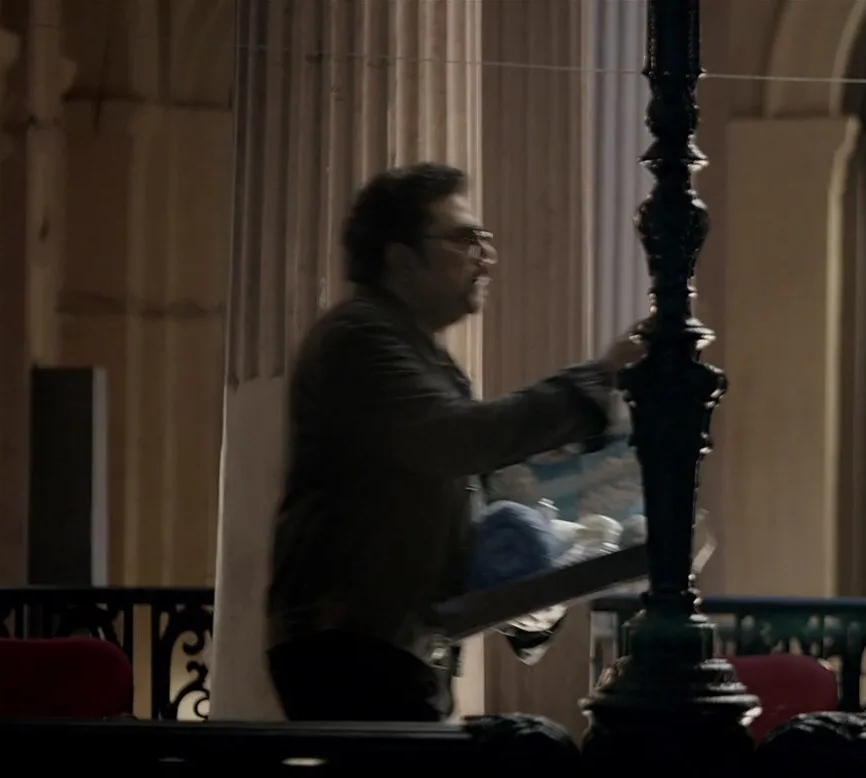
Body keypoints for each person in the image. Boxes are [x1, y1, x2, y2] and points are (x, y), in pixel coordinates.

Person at [265, 162, 638, 723]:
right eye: (465, 240)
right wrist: (598, 378)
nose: (487, 256)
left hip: (392, 645)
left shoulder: (422, 355)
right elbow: (459, 439)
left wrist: (532, 591)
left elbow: (465, 508)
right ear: (401, 259)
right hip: (350, 649)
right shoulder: (359, 338)